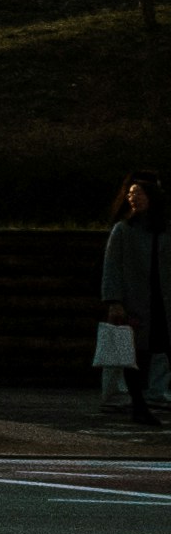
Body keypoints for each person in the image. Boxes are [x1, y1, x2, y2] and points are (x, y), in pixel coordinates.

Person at [102, 178, 158, 428]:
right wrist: (114, 300)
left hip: (160, 301)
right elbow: (111, 267)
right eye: (131, 194)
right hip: (137, 301)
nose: (134, 198)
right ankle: (138, 404)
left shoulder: (164, 229)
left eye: (140, 194)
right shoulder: (123, 229)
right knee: (137, 356)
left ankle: (141, 403)